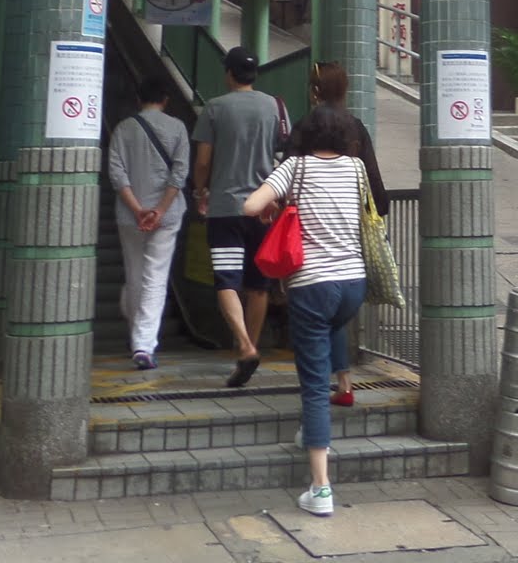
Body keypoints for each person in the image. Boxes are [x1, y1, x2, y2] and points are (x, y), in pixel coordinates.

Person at [242, 104, 368, 518]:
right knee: (328, 347)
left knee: (314, 385)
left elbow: (250, 205)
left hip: (312, 286)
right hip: (352, 284)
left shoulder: (294, 167)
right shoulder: (355, 168)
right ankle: (313, 430)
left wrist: (276, 205)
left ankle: (321, 488)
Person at [193, 47, 290, 386]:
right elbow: (281, 150)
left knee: (227, 280)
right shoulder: (272, 106)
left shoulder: (215, 108)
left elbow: (204, 160)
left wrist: (200, 190)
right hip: (263, 209)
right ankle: (249, 348)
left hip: (225, 209)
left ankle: (245, 347)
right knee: (259, 285)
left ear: (229, 73)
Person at [296, 62, 388, 404]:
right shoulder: (356, 128)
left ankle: (321, 390)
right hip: (349, 238)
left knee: (316, 311)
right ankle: (344, 382)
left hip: (312, 236)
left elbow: (288, 177)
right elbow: (375, 186)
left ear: (315, 91)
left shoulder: (305, 127)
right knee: (335, 314)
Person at [106, 75, 189, 369]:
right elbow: (179, 174)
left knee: (135, 274)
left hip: (130, 216)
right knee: (154, 277)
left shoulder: (122, 129)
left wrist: (138, 209)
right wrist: (159, 210)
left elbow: (117, 174)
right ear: (165, 100)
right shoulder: (177, 127)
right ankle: (143, 345)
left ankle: (138, 338)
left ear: (138, 100)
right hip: (166, 218)